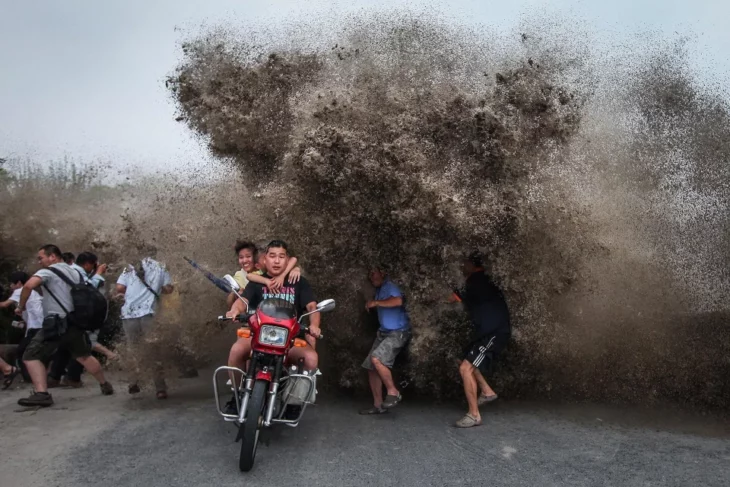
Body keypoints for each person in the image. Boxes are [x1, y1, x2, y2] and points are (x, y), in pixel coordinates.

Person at [15, 244, 114, 407]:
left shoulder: (47, 271)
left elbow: (28, 285)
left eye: (41, 258)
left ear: (53, 256)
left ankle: (42, 394)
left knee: (30, 355)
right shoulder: (76, 271)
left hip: (56, 323)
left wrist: (21, 306)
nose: (39, 262)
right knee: (84, 355)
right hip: (75, 321)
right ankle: (104, 384)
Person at [226, 240, 321, 374]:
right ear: (265, 259)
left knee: (311, 358)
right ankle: (237, 393)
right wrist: (234, 310)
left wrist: (314, 325)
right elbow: (242, 301)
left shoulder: (299, 282)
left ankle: (298, 393)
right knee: (237, 350)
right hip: (257, 337)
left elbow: (312, 307)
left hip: (291, 340)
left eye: (281, 257)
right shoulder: (256, 282)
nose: (276, 261)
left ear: (287, 260)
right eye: (272, 256)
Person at [450, 252, 511, 428]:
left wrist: (426, 299)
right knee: (465, 358)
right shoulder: (484, 279)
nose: (462, 266)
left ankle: (474, 415)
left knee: (465, 368)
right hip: (487, 332)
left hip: (495, 333)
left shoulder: (475, 280)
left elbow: (452, 298)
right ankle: (487, 391)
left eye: (464, 263)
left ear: (472, 264)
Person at [48, 252, 116, 388]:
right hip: (77, 315)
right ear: (87, 264)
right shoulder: (76, 272)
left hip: (69, 315)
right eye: (93, 265)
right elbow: (86, 289)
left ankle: (55, 377)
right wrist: (98, 274)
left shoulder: (74, 271)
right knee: (81, 347)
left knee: (66, 346)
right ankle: (73, 378)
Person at [115, 255, 173, 399]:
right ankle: (160, 389)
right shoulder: (161, 266)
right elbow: (168, 289)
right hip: (149, 314)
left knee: (133, 349)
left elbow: (120, 287)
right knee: (154, 350)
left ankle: (133, 381)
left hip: (129, 315)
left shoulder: (129, 266)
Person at [359, 268, 411, 415]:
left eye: (373, 272)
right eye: (369, 273)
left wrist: (376, 302)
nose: (371, 276)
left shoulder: (390, 286)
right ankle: (378, 405)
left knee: (377, 359)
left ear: (382, 273)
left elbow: (398, 301)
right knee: (371, 366)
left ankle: (393, 392)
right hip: (384, 332)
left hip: (398, 332)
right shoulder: (381, 288)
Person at [0, 271, 44, 386]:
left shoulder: (21, 290)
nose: (10, 286)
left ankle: (29, 378)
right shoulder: (33, 292)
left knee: (22, 352)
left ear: (18, 283)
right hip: (39, 325)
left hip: (35, 326)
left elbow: (4, 304)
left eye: (11, 283)